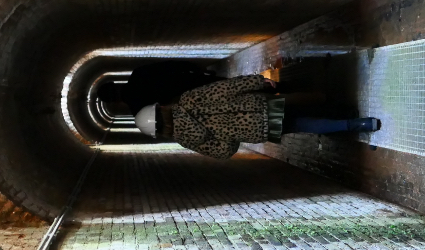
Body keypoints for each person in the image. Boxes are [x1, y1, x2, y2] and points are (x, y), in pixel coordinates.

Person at [134, 74, 381, 160]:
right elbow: (225, 88)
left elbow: (224, 152)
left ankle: (358, 124)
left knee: (302, 124)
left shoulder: (186, 140)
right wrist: (257, 81)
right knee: (299, 101)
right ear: (161, 109)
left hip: (257, 129)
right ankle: (336, 103)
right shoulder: (188, 100)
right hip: (258, 104)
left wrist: (232, 134)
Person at [97, 60, 216, 116]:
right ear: (116, 84)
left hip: (198, 106)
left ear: (116, 102)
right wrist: (196, 68)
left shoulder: (139, 112)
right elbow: (169, 66)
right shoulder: (139, 74)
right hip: (195, 82)